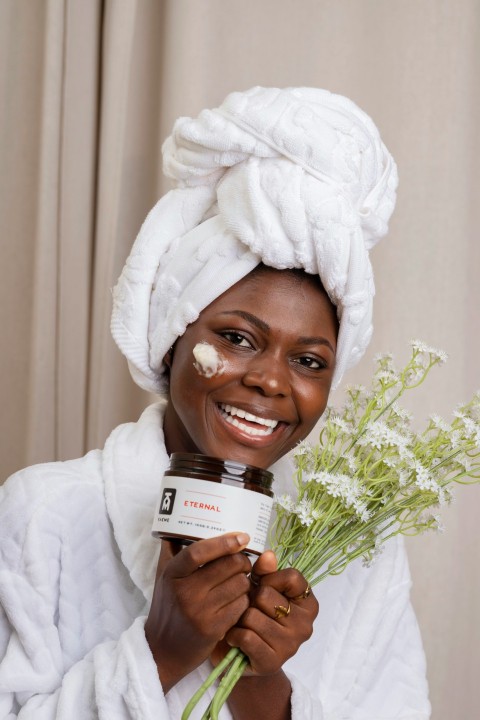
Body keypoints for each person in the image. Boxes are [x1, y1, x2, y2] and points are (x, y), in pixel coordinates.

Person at [0, 87, 430, 719]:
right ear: (173, 335)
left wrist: (260, 683)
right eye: (236, 338)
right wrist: (161, 651)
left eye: (309, 361)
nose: (271, 382)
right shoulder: (45, 514)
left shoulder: (363, 553)